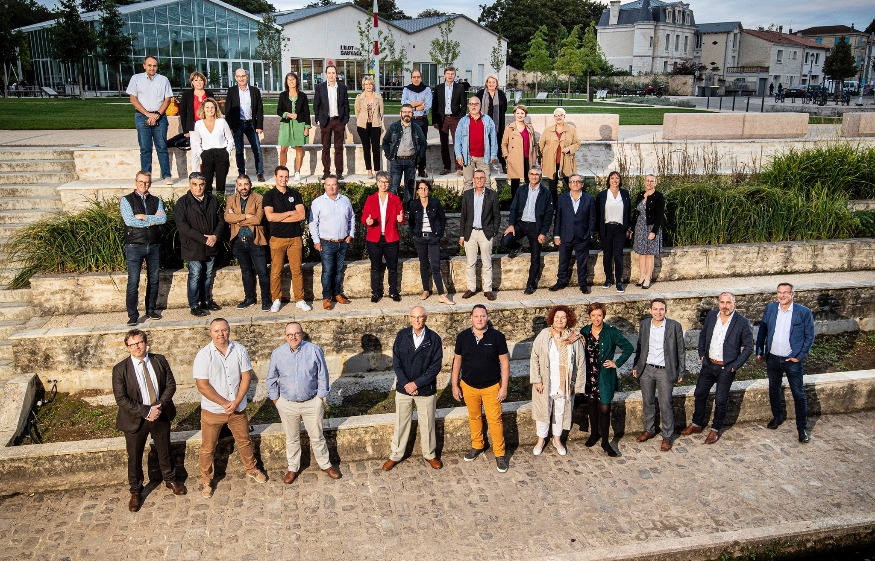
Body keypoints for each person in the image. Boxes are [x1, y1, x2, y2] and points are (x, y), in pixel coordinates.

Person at [194, 318, 268, 498]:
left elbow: (246, 377)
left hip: (237, 408)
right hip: (213, 411)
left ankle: (252, 469)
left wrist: (236, 401)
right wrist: (223, 403)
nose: (221, 334)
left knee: (244, 441)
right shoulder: (203, 355)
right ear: (211, 333)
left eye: (224, 330)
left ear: (229, 330)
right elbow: (202, 385)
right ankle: (206, 480)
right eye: (217, 331)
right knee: (207, 447)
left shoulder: (239, 350)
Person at [113, 329, 186, 512]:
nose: (137, 347)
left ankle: (170, 479)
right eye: (132, 344)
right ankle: (136, 491)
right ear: (127, 347)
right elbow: (121, 399)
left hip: (160, 414)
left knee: (164, 449)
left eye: (139, 342)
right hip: (135, 419)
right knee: (134, 457)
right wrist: (146, 411)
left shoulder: (159, 360)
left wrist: (159, 406)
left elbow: (170, 385)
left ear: (145, 343)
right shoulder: (120, 369)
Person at [266, 321, 341, 484]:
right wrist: (276, 400)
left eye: (296, 334)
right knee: (291, 438)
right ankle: (293, 468)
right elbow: (271, 378)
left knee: (317, 437)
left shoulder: (314, 350)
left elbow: (323, 375)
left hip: (311, 402)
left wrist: (320, 398)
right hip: (287, 404)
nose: (293, 337)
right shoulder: (278, 354)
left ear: (302, 334)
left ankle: (325, 464)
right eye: (290, 334)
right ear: (285, 336)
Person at [681, 292, 754, 444]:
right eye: (722, 302)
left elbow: (749, 347)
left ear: (734, 304)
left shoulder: (742, 322)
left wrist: (734, 366)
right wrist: (702, 354)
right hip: (709, 364)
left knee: (721, 400)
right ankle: (697, 424)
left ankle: (715, 429)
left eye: (728, 302)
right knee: (699, 393)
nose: (725, 306)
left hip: (726, 368)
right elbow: (703, 335)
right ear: (718, 303)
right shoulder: (712, 315)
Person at [382, 306, 443, 471]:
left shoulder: (434, 339)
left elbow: (435, 367)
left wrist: (416, 384)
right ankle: (395, 455)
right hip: (404, 388)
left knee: (428, 423)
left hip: (425, 389)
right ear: (409, 318)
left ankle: (430, 454)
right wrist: (406, 384)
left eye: (420, 317)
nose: (417, 320)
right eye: (414, 317)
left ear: (425, 318)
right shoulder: (402, 336)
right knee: (401, 423)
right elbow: (397, 362)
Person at [451, 304, 511, 472]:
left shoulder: (497, 337)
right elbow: (457, 362)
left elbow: (505, 364)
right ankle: (477, 445)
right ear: (471, 318)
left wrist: (504, 387)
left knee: (495, 420)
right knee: (474, 417)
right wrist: (454, 385)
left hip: (492, 387)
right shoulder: (463, 337)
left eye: (482, 316)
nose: (479, 319)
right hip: (469, 386)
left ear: (487, 318)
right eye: (476, 316)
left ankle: (499, 453)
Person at [755, 282, 815, 443]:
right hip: (773, 358)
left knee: (798, 394)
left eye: (785, 292)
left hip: (792, 360)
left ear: (792, 295)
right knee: (773, 389)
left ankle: (802, 428)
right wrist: (759, 350)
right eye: (779, 292)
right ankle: (777, 417)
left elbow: (809, 336)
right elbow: (762, 331)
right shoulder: (771, 308)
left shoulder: (803, 312)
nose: (782, 295)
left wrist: (799, 356)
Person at [529, 305, 585, 456]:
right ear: (552, 319)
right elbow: (534, 357)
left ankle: (557, 439)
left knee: (560, 412)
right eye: (557, 317)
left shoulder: (574, 338)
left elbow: (581, 363)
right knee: (543, 412)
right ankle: (541, 440)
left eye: (563, 317)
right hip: (545, 382)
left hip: (565, 383)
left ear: (568, 319)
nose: (560, 320)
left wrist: (577, 386)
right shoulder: (544, 335)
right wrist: (537, 380)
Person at [580, 302, 634, 457]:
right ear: (589, 316)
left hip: (604, 376)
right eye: (593, 315)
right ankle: (594, 434)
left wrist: (616, 363)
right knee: (591, 404)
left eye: (599, 315)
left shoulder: (611, 332)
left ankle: (605, 441)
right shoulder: (585, 331)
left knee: (604, 407)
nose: (596, 318)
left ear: (603, 316)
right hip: (589, 374)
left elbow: (628, 348)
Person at [632, 298, 685, 451]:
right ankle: (649, 430)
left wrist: (681, 371)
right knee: (647, 401)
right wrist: (636, 365)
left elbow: (681, 350)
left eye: (661, 309)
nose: (658, 312)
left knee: (665, 404)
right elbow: (640, 346)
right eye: (655, 309)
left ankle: (667, 436)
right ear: (650, 310)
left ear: (665, 311)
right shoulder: (645, 324)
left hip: (665, 370)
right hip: (647, 369)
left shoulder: (674, 326)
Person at [174, 172, 225, 317]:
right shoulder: (182, 203)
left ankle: (206, 300)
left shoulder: (212, 200)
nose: (198, 188)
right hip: (193, 246)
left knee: (208, 274)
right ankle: (194, 304)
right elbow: (183, 226)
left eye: (201, 185)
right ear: (190, 185)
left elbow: (221, 220)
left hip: (211, 244)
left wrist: (215, 236)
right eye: (195, 184)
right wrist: (203, 239)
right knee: (195, 275)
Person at [120, 171, 166, 326]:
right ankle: (133, 314)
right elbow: (130, 221)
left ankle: (151, 309)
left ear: (150, 184)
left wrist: (143, 217)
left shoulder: (156, 200)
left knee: (154, 280)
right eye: (141, 182)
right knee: (133, 282)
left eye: (146, 182)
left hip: (154, 245)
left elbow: (163, 219)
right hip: (134, 245)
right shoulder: (126, 200)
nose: (144, 185)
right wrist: (152, 221)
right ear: (136, 182)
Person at [263, 166, 311, 313]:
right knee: (276, 271)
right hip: (277, 239)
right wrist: (290, 213)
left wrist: (280, 217)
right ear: (275, 177)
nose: (284, 179)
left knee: (297, 270)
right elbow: (270, 217)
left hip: (295, 238)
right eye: (281, 176)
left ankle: (300, 300)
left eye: (286, 177)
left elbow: (301, 215)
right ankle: (276, 299)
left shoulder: (295, 194)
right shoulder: (269, 195)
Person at [501, 166, 554, 295]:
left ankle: (531, 284)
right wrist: (511, 224)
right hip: (521, 223)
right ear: (528, 175)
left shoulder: (546, 193)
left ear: (540, 176)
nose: (534, 176)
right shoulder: (521, 189)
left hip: (536, 227)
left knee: (535, 256)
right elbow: (514, 208)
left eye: (537, 174)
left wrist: (543, 232)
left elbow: (548, 214)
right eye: (532, 174)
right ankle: (516, 246)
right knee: (505, 241)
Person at [309, 175, 355, 310]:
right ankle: (326, 297)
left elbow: (351, 217)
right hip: (326, 243)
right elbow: (313, 223)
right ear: (324, 186)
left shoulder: (345, 200)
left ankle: (337, 294)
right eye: (328, 185)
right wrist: (316, 241)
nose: (331, 187)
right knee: (328, 271)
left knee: (339, 270)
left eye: (334, 184)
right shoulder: (317, 202)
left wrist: (351, 234)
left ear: (337, 186)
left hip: (342, 242)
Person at [224, 174, 270, 311]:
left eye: (246, 184)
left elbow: (258, 219)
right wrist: (245, 216)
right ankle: (249, 298)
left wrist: (237, 219)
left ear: (250, 185)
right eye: (240, 184)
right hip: (238, 241)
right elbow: (227, 217)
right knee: (245, 272)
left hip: (255, 240)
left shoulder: (259, 198)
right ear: (236, 186)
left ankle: (266, 300)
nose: (243, 187)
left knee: (262, 272)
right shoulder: (231, 199)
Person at [126, 56, 173, 184]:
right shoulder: (136, 79)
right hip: (142, 116)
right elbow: (133, 99)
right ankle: (146, 177)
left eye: (154, 66)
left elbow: (167, 99)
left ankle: (166, 175)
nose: (152, 68)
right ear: (144, 66)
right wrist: (147, 114)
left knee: (162, 147)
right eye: (149, 65)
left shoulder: (163, 80)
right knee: (145, 148)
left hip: (160, 117)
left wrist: (157, 114)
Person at [362, 171, 405, 303]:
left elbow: (402, 218)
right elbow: (364, 218)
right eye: (381, 181)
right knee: (375, 267)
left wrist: (401, 219)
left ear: (389, 183)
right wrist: (367, 221)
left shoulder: (395, 199)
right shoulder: (370, 199)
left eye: (386, 182)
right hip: (374, 238)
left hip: (391, 238)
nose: (383, 184)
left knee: (392, 267)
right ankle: (376, 292)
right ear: (377, 183)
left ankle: (393, 291)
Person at [551, 173, 596, 294]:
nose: (575, 184)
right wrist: (556, 235)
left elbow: (592, 218)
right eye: (573, 182)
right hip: (565, 235)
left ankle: (583, 284)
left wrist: (590, 233)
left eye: (578, 182)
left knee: (582, 262)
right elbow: (558, 218)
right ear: (569, 185)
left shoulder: (589, 199)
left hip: (583, 236)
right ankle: (561, 281)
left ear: (582, 184)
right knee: (563, 261)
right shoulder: (562, 199)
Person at [408, 181, 452, 305]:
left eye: (425, 188)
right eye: (421, 188)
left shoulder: (435, 202)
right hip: (420, 238)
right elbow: (411, 222)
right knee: (423, 264)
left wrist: (439, 234)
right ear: (417, 191)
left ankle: (441, 294)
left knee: (435, 265)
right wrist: (414, 235)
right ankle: (426, 290)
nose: (423, 191)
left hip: (433, 238)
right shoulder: (414, 204)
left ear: (429, 190)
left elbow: (442, 219)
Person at [459, 169, 500, 301]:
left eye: (481, 177)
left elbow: (497, 216)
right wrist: (461, 235)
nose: (479, 180)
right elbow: (463, 216)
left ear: (485, 179)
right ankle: (471, 288)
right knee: (470, 262)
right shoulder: (467, 195)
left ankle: (487, 289)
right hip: (470, 232)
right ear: (473, 180)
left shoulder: (492, 195)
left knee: (487, 262)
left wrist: (493, 232)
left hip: (485, 232)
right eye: (477, 178)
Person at [225, 68, 265, 183]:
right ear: (235, 78)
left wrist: (259, 126)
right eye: (239, 76)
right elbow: (228, 110)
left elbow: (259, 109)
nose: (241, 78)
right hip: (237, 124)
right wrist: (229, 127)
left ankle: (260, 173)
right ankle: (241, 173)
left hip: (251, 124)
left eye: (243, 76)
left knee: (257, 149)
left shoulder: (254, 91)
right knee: (239, 150)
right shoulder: (231, 91)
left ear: (247, 77)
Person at [595, 171, 632, 293]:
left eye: (617, 178)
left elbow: (628, 212)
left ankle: (619, 281)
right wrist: (597, 231)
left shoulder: (625, 194)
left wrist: (629, 228)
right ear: (608, 180)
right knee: (607, 255)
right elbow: (598, 214)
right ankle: (608, 279)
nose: (615, 180)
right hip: (606, 228)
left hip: (620, 228)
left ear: (620, 180)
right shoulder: (602, 195)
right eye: (612, 178)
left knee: (618, 256)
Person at [382, 104, 427, 203]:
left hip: (411, 161)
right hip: (396, 161)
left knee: (410, 187)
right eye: (405, 112)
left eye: (409, 112)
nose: (407, 114)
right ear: (400, 113)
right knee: (394, 187)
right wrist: (389, 155)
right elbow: (385, 142)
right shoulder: (394, 127)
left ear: (412, 114)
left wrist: (419, 158)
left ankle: (408, 208)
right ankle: (393, 208)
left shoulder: (416, 128)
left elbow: (423, 143)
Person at [313, 65, 350, 179]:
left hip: (339, 121)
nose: (331, 75)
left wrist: (345, 119)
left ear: (336, 74)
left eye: (333, 73)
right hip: (326, 121)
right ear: (326, 74)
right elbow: (316, 105)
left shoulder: (342, 88)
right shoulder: (320, 87)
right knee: (326, 147)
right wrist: (318, 119)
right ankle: (326, 173)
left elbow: (346, 104)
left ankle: (339, 172)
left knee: (339, 147)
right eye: (329, 73)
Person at [190, 97, 233, 194]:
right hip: (207, 154)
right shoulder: (198, 124)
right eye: (207, 107)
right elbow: (197, 142)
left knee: (221, 183)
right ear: (203, 109)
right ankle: (208, 202)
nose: (210, 110)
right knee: (207, 183)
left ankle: (220, 201)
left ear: (216, 109)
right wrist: (201, 154)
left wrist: (227, 152)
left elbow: (230, 139)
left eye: (212, 107)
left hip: (221, 153)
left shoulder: (222, 122)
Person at [539, 107, 580, 210]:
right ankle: (554, 205)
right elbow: (541, 145)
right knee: (552, 183)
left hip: (565, 160)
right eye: (556, 115)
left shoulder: (571, 129)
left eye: (560, 115)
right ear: (554, 117)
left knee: (569, 181)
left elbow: (577, 143)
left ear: (564, 116)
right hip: (551, 161)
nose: (558, 117)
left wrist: (569, 148)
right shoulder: (548, 130)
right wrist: (542, 159)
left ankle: (572, 202)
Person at [454, 95, 498, 190]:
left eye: (476, 104)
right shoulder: (463, 121)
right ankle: (468, 200)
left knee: (486, 183)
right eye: (471, 104)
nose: (473, 106)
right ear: (468, 106)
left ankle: (486, 200)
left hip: (483, 157)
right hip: (468, 157)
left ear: (480, 105)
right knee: (468, 183)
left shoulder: (487, 120)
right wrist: (459, 155)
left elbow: (493, 138)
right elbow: (457, 140)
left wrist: (493, 154)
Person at [277, 72, 311, 182]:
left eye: (293, 79)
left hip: (299, 125)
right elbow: (279, 111)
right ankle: (282, 172)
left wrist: (307, 127)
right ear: (286, 82)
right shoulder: (283, 95)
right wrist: (287, 114)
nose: (291, 81)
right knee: (283, 149)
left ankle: (297, 172)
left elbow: (306, 112)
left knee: (299, 148)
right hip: (286, 125)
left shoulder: (303, 96)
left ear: (297, 81)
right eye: (289, 80)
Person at [432, 67, 466, 175]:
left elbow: (464, 106)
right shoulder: (439, 88)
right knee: (444, 144)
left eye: (452, 74)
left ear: (455, 75)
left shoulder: (460, 87)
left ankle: (459, 167)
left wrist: (460, 118)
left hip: (455, 118)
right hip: (442, 119)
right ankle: (446, 167)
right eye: (448, 73)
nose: (450, 76)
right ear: (444, 75)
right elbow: (434, 105)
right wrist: (435, 121)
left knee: (457, 143)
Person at [633, 174, 664, 289]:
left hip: (651, 228)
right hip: (640, 227)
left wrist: (654, 231)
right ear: (644, 182)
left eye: (652, 181)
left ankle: (648, 278)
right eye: (647, 180)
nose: (649, 183)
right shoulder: (641, 194)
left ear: (655, 183)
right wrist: (632, 228)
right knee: (641, 254)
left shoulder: (658, 196)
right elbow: (636, 213)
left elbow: (660, 215)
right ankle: (641, 276)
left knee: (649, 254)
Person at [170, 71, 214, 149]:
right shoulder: (186, 95)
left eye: (201, 80)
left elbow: (214, 111)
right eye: (196, 80)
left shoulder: (209, 94)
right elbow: (183, 114)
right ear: (192, 82)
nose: (199, 82)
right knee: (195, 150)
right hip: (193, 127)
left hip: (207, 126)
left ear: (204, 81)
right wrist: (185, 131)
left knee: (208, 149)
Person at [401, 70, 432, 177]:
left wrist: (411, 105)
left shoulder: (427, 89)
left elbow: (427, 104)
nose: (416, 79)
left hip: (422, 119)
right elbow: (404, 103)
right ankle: (411, 168)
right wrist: (417, 105)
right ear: (411, 78)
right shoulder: (407, 89)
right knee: (411, 144)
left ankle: (422, 168)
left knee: (422, 144)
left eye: (418, 77)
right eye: (414, 77)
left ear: (421, 78)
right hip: (410, 120)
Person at [501, 104, 537, 199]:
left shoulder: (529, 127)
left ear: (525, 114)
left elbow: (534, 143)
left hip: (528, 157)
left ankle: (530, 200)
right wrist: (506, 156)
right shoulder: (509, 128)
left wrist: (535, 156)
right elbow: (504, 144)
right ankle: (515, 202)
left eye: (522, 113)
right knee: (515, 182)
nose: (520, 115)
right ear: (514, 114)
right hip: (515, 158)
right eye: (518, 113)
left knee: (530, 180)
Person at [475, 76, 508, 173]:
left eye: (493, 82)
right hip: (483, 123)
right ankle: (482, 165)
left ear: (496, 84)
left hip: (498, 124)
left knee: (498, 143)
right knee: (483, 143)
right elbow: (475, 107)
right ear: (486, 83)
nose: (491, 84)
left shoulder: (501, 94)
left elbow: (505, 108)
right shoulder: (480, 93)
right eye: (489, 82)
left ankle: (503, 164)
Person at [354, 76, 384, 179]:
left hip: (375, 125)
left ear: (373, 85)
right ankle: (369, 170)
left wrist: (378, 121)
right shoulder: (359, 97)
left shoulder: (378, 97)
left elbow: (381, 112)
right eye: (366, 84)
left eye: (370, 84)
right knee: (366, 148)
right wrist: (361, 120)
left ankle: (377, 170)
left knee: (376, 148)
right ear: (363, 86)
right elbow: (357, 111)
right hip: (363, 126)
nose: (368, 86)